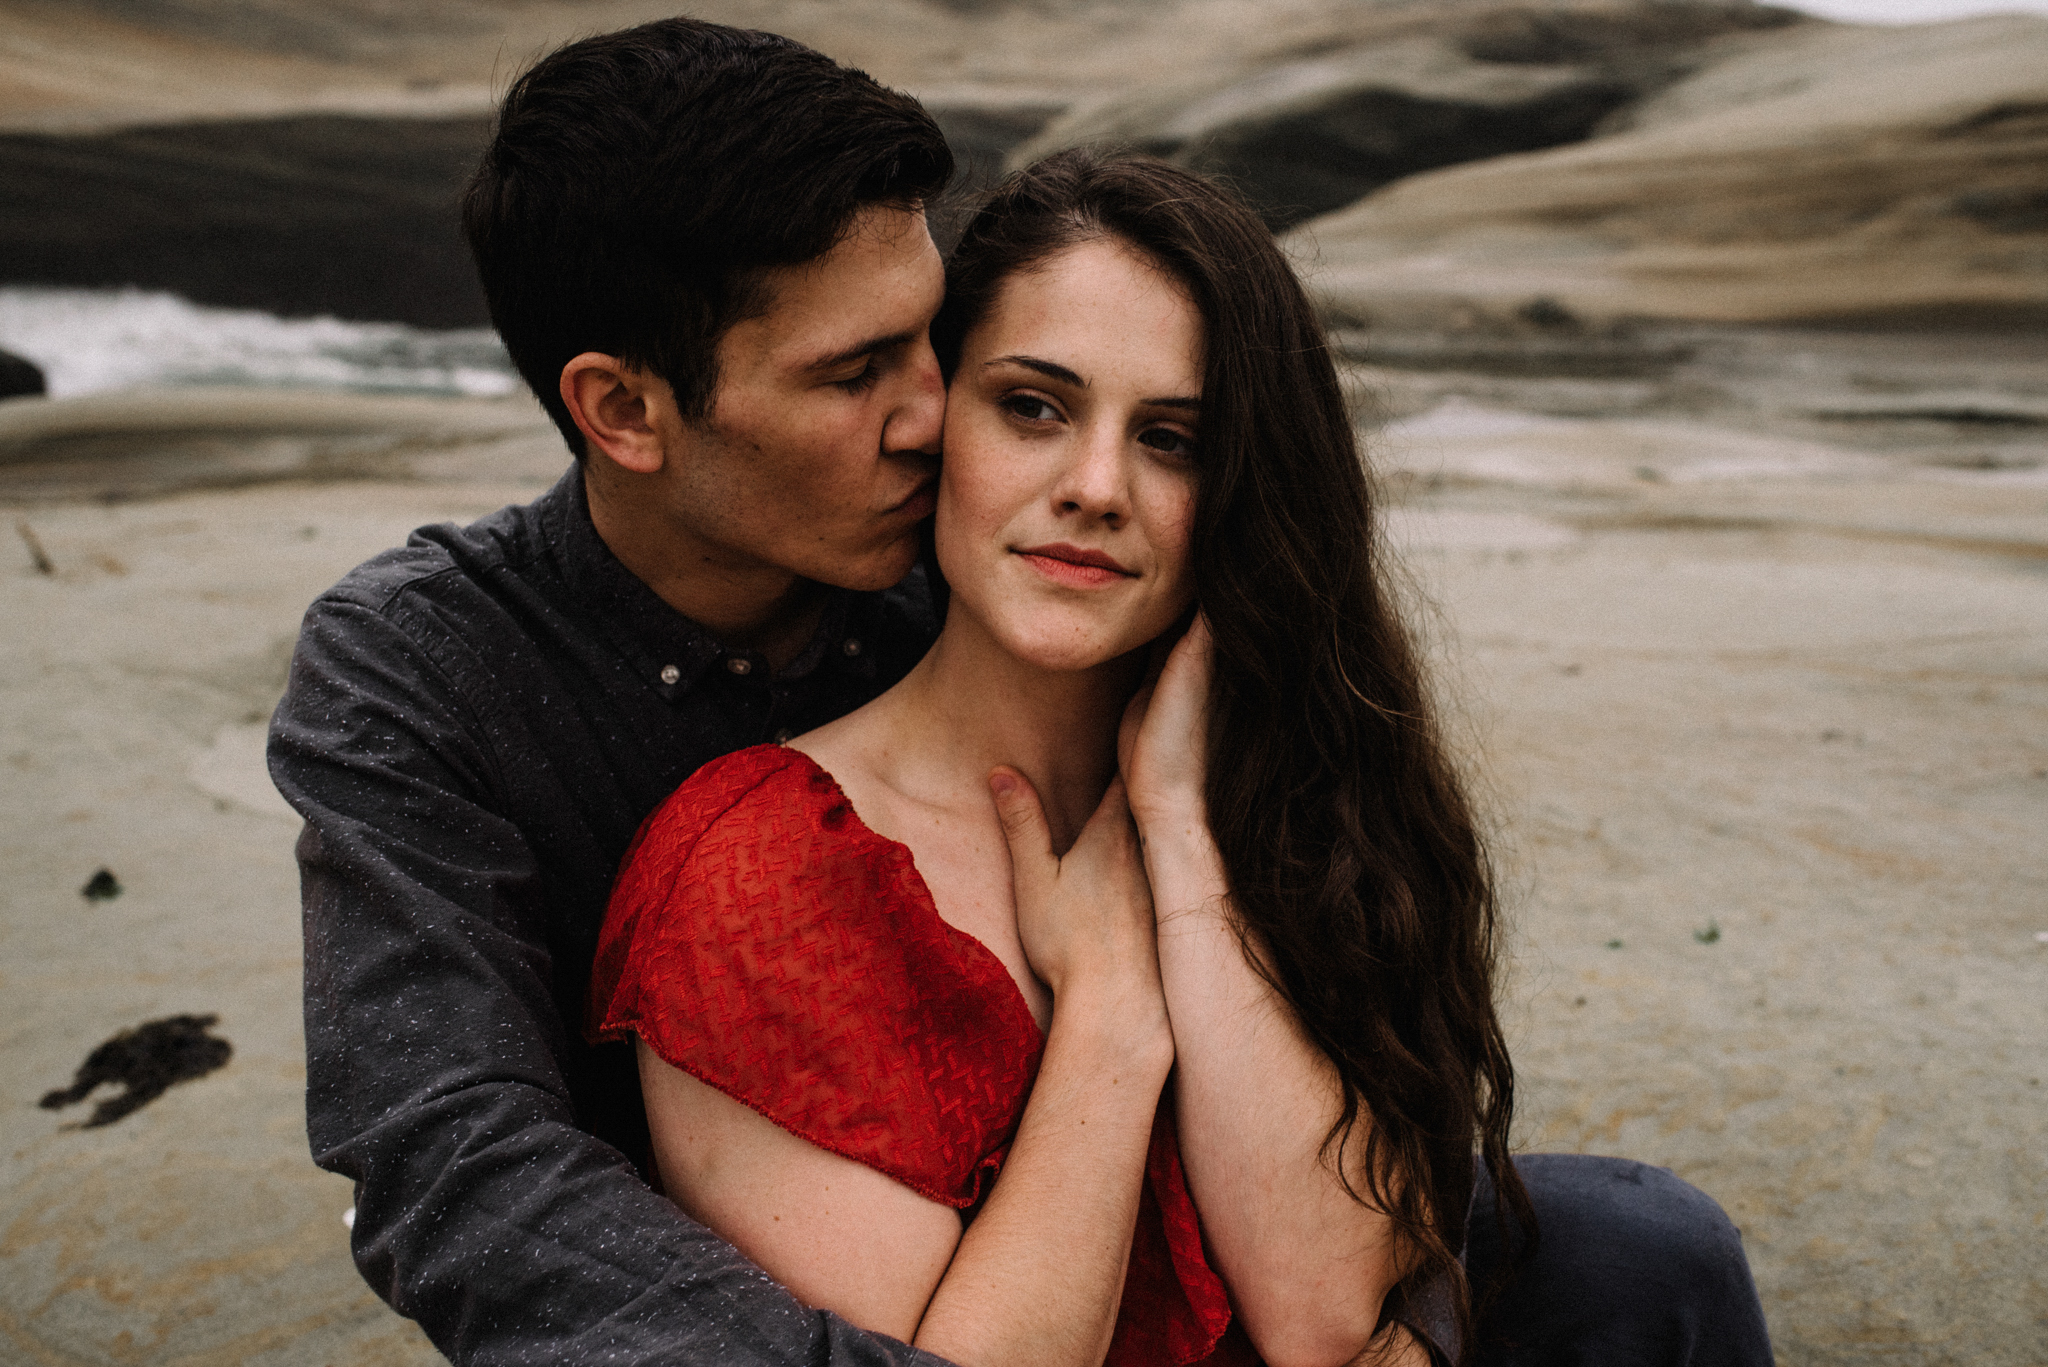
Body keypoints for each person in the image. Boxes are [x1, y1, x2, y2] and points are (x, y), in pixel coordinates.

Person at [587, 151, 1780, 1367]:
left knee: (1652, 1250)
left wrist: (1176, 827)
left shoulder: (1259, 786)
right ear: (935, 422)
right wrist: (1109, 1012)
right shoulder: (768, 875)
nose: (1096, 488)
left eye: (1171, 439)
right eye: (1033, 407)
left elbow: (1323, 1316)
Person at [270, 19, 978, 1365]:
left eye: (932, 334)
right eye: (854, 371)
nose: (935, 413)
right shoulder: (418, 668)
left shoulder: (979, 557)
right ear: (625, 411)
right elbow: (455, 1153)